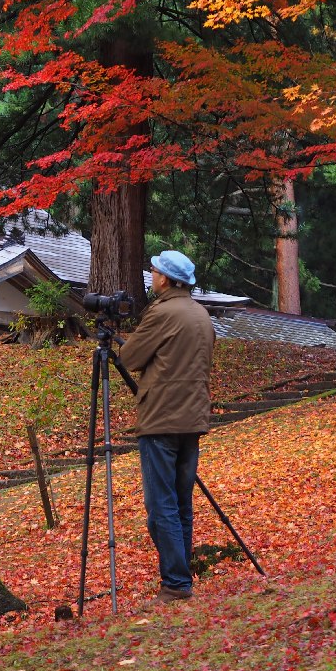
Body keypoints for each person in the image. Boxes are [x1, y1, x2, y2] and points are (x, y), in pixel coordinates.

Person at [119, 249, 215, 604]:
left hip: (161, 420)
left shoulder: (161, 313)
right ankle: (179, 575)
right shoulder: (201, 314)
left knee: (162, 506)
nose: (152, 274)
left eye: (156, 270)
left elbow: (129, 359)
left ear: (168, 279)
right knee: (181, 503)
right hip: (192, 420)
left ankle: (176, 582)